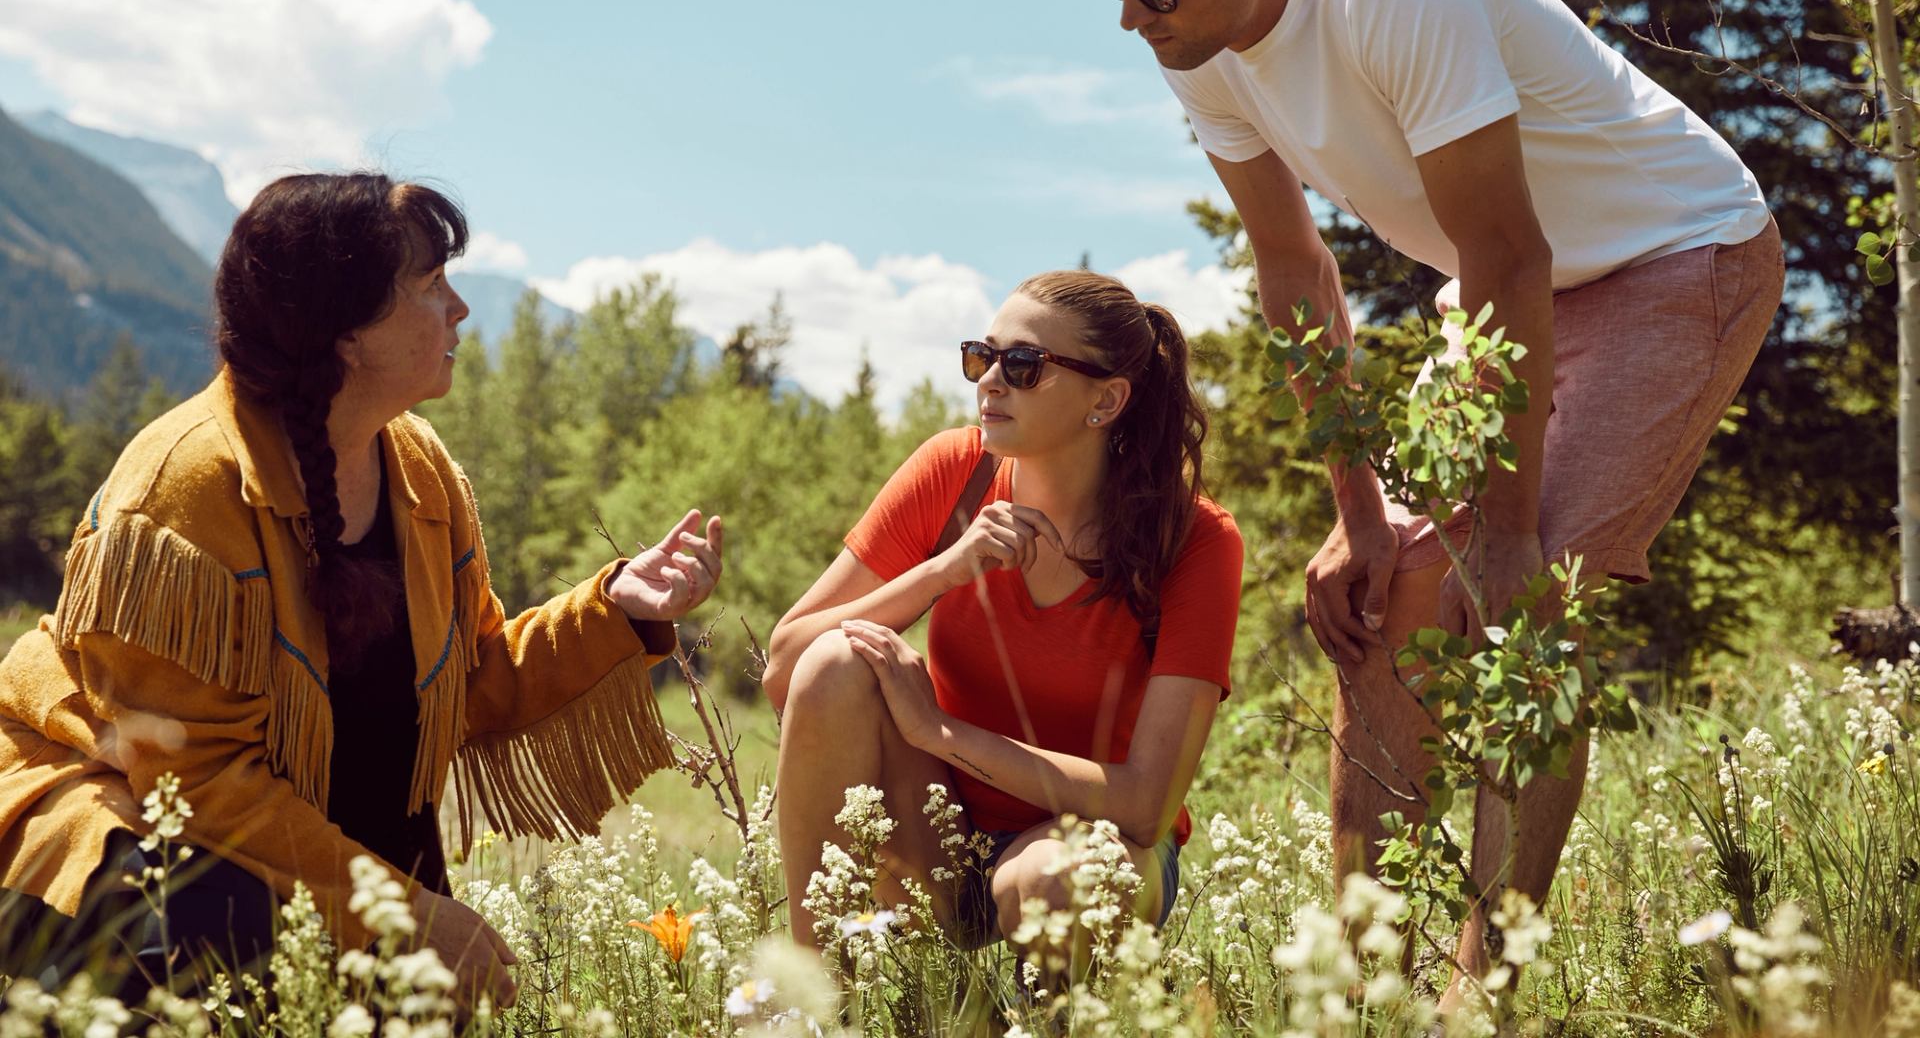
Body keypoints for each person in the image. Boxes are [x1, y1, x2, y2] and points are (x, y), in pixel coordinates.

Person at [1070, 0, 1783, 996]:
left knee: (1529, 594)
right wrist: (1358, 515)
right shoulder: (1205, 36)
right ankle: (1365, 989)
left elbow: (1512, 255)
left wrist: (1506, 530)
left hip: (1676, 257)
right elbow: (1295, 267)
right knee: (1387, 588)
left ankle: (1482, 992)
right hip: (1505, 284)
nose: (1132, 17)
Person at [0, 173, 723, 1008]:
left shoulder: (416, 466)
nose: (458, 310)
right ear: (346, 333)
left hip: (298, 849)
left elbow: (468, 680)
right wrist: (408, 917)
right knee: (223, 944)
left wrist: (616, 607)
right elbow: (189, 784)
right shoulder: (181, 490)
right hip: (127, 835)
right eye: (430, 286)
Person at [763, 271, 1243, 975]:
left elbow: (1144, 804)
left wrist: (942, 734)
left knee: (1050, 879)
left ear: (1106, 401)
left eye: (1024, 366)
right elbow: (785, 669)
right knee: (836, 660)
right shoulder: (952, 471)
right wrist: (942, 572)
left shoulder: (1194, 540)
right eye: (979, 357)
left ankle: (1044, 1019)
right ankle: (817, 1005)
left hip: (1092, 852)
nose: (990, 382)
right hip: (939, 838)